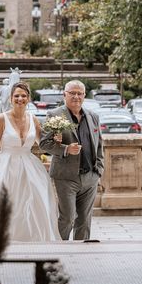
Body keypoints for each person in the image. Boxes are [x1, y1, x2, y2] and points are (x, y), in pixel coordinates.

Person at [0, 82, 61, 242]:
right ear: (11, 99)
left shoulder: (34, 119)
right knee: (6, 203)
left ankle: (34, 238)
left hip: (30, 166)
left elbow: (42, 144)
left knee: (34, 202)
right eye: (16, 95)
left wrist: (56, 140)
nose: (20, 98)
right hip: (6, 166)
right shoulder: (1, 119)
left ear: (28, 99)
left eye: (23, 96)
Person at [39, 80, 104, 241]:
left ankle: (82, 253)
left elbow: (99, 145)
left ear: (84, 96)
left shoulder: (93, 117)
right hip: (66, 177)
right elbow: (44, 144)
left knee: (84, 220)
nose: (76, 97)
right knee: (67, 218)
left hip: (90, 177)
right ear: (64, 95)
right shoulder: (54, 115)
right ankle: (60, 251)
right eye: (72, 93)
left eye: (79, 93)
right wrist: (66, 149)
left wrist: (99, 170)